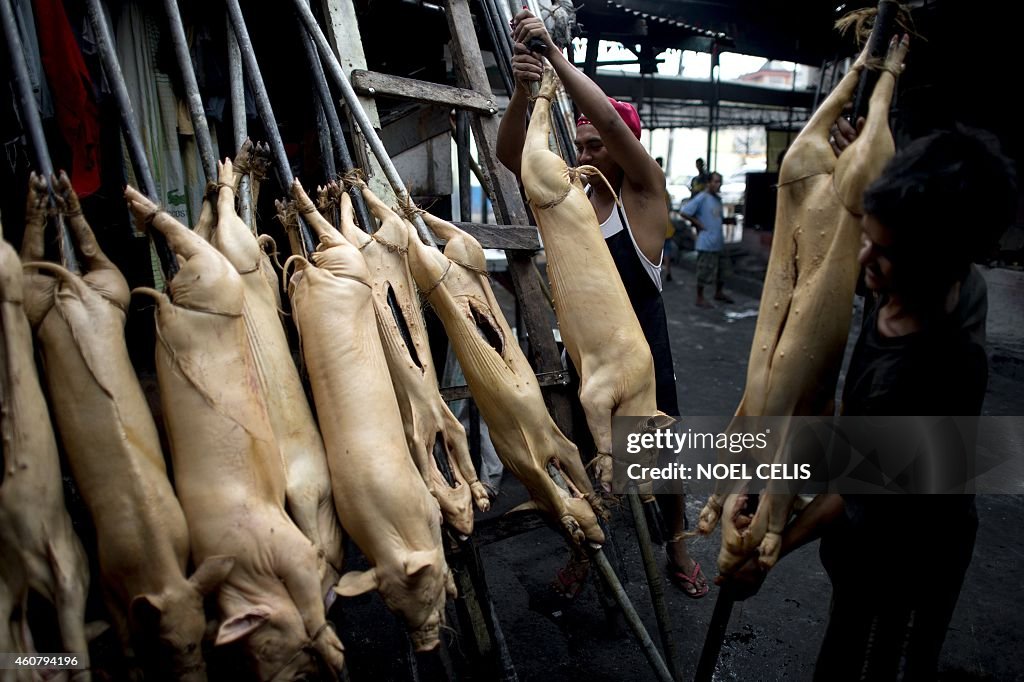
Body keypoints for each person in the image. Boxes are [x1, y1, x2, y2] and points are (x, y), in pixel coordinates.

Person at [725, 125, 1017, 680]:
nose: (863, 256)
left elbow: (855, 484)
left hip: (913, 551)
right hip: (861, 537)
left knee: (879, 663)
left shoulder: (935, 370)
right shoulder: (939, 278)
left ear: (935, 262)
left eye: (883, 253)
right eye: (867, 235)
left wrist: (770, 550)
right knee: (844, 635)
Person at [496, 8, 708, 598]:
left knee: (662, 457)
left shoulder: (645, 201)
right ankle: (589, 557)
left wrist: (558, 63)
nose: (585, 147)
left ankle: (679, 547)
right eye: (580, 140)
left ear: (624, 150)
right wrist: (524, 91)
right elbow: (511, 158)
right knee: (593, 456)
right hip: (587, 354)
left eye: (597, 141)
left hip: (643, 352)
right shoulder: (571, 200)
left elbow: (613, 129)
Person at [681, 172, 733, 308]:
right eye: (715, 182)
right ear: (708, 183)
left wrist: (728, 220)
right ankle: (700, 297)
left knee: (723, 270)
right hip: (706, 243)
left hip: (718, 242)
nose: (717, 184)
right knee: (704, 271)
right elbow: (684, 212)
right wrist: (698, 224)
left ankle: (719, 292)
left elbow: (717, 219)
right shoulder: (702, 198)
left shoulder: (717, 200)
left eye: (719, 182)